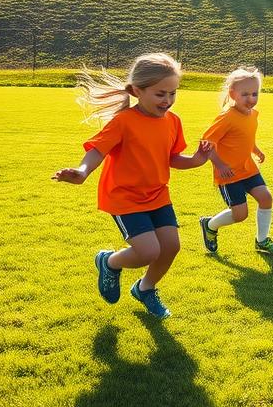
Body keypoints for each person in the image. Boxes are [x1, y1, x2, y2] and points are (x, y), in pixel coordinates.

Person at [52, 53, 211, 319]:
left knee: (171, 247)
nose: (168, 101)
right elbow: (97, 151)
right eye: (161, 94)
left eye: (173, 93)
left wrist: (196, 160)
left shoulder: (173, 121)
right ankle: (109, 262)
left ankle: (145, 289)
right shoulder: (123, 121)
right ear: (138, 90)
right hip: (125, 197)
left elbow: (171, 158)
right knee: (148, 252)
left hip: (158, 194)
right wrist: (81, 172)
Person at [198, 67, 273, 256]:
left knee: (266, 198)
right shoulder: (227, 117)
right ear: (232, 94)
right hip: (229, 173)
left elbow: (244, 137)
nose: (251, 99)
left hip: (248, 168)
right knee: (240, 215)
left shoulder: (253, 114)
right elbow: (206, 143)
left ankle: (262, 241)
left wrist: (256, 149)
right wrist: (220, 165)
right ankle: (210, 225)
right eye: (245, 94)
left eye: (255, 94)